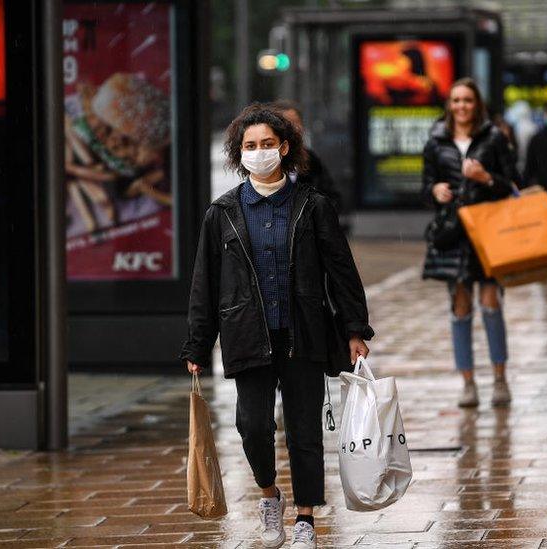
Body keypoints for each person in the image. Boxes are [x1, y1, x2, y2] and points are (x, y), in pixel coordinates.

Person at [181, 104, 373, 549]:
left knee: (305, 428)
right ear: (239, 153)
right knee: (253, 427)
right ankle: (270, 496)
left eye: (268, 143)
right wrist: (197, 345)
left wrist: (355, 330)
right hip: (247, 334)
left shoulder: (313, 205)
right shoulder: (222, 213)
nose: (260, 152)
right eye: (250, 146)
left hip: (303, 333)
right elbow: (204, 285)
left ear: (284, 148)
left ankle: (305, 516)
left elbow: (341, 272)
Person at [422, 78, 519, 408]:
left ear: (477, 104)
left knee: (491, 304)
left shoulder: (494, 138)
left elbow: (511, 185)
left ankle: (500, 378)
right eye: (456, 100)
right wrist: (435, 191)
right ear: (449, 105)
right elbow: (426, 183)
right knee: (460, 306)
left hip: (488, 231)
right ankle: (467, 382)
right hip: (453, 232)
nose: (461, 106)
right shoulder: (436, 141)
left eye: (467, 100)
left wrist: (486, 178)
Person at [271, 100, 343, 210]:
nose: (293, 128)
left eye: (296, 122)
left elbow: (331, 199)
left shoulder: (311, 160)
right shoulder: (263, 161)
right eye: (287, 123)